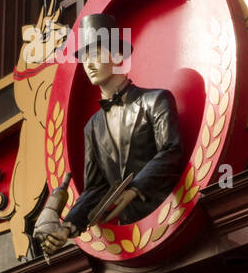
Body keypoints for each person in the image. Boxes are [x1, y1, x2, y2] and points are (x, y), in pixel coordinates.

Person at [38, 13, 182, 255]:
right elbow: (95, 188)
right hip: (132, 241)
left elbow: (171, 151)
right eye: (84, 58)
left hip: (170, 220)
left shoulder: (156, 100)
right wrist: (66, 228)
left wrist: (135, 188)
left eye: (95, 54)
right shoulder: (92, 127)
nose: (89, 65)